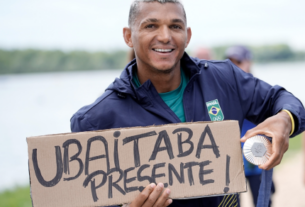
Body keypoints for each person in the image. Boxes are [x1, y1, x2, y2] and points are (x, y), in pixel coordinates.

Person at [71, 1, 305, 207]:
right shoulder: (94, 121)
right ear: (128, 36)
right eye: (150, 25)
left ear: (188, 35)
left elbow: (284, 101)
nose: (165, 36)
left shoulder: (225, 79)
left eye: (175, 26)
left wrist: (285, 119)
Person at [225, 45, 275, 206]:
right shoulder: (220, 90)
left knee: (263, 202)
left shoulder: (260, 90)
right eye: (230, 62)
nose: (235, 66)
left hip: (257, 158)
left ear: (249, 62)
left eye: (238, 61)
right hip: (230, 163)